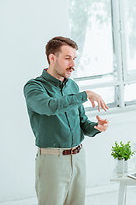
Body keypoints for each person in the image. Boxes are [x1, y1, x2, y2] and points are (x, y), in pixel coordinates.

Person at [23, 36, 109, 205]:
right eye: (67, 58)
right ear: (52, 58)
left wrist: (96, 127)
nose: (73, 65)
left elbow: (82, 122)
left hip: (78, 158)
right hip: (52, 162)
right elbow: (50, 106)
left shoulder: (72, 87)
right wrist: (86, 95)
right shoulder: (34, 87)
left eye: (74, 58)